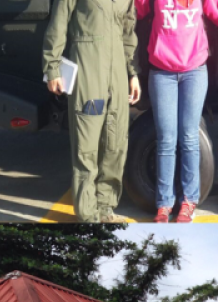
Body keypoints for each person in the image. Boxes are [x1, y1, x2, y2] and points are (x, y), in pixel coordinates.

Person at [43, 0, 141, 223]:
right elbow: (58, 23)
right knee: (86, 144)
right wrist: (52, 66)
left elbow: (128, 31)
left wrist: (132, 73)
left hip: (117, 71)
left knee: (115, 142)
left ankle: (106, 206)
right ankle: (88, 214)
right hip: (88, 65)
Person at [136, 0, 218, 223]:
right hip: (162, 72)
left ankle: (188, 201)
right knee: (166, 139)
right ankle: (164, 203)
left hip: (194, 71)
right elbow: (136, 11)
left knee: (189, 137)